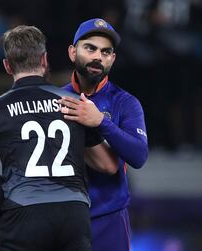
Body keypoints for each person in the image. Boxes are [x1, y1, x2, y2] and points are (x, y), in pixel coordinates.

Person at [0, 25, 118, 251]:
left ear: (7, 66)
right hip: (74, 215)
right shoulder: (73, 104)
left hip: (24, 215)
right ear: (44, 60)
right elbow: (109, 165)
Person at [59, 18, 149, 251]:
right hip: (62, 218)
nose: (98, 56)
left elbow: (139, 156)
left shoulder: (125, 102)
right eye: (90, 48)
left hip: (109, 219)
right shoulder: (55, 99)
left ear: (113, 59)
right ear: (72, 52)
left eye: (106, 52)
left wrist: (100, 121)